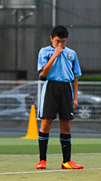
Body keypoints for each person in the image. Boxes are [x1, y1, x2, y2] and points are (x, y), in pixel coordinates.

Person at [35, 25, 84, 170]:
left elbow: (75, 77)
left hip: (66, 89)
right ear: (51, 39)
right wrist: (54, 56)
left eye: (63, 41)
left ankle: (66, 161)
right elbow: (43, 74)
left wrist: (75, 98)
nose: (60, 44)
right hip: (51, 87)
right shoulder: (44, 52)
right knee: (46, 123)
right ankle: (42, 160)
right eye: (57, 41)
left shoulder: (71, 54)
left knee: (66, 125)